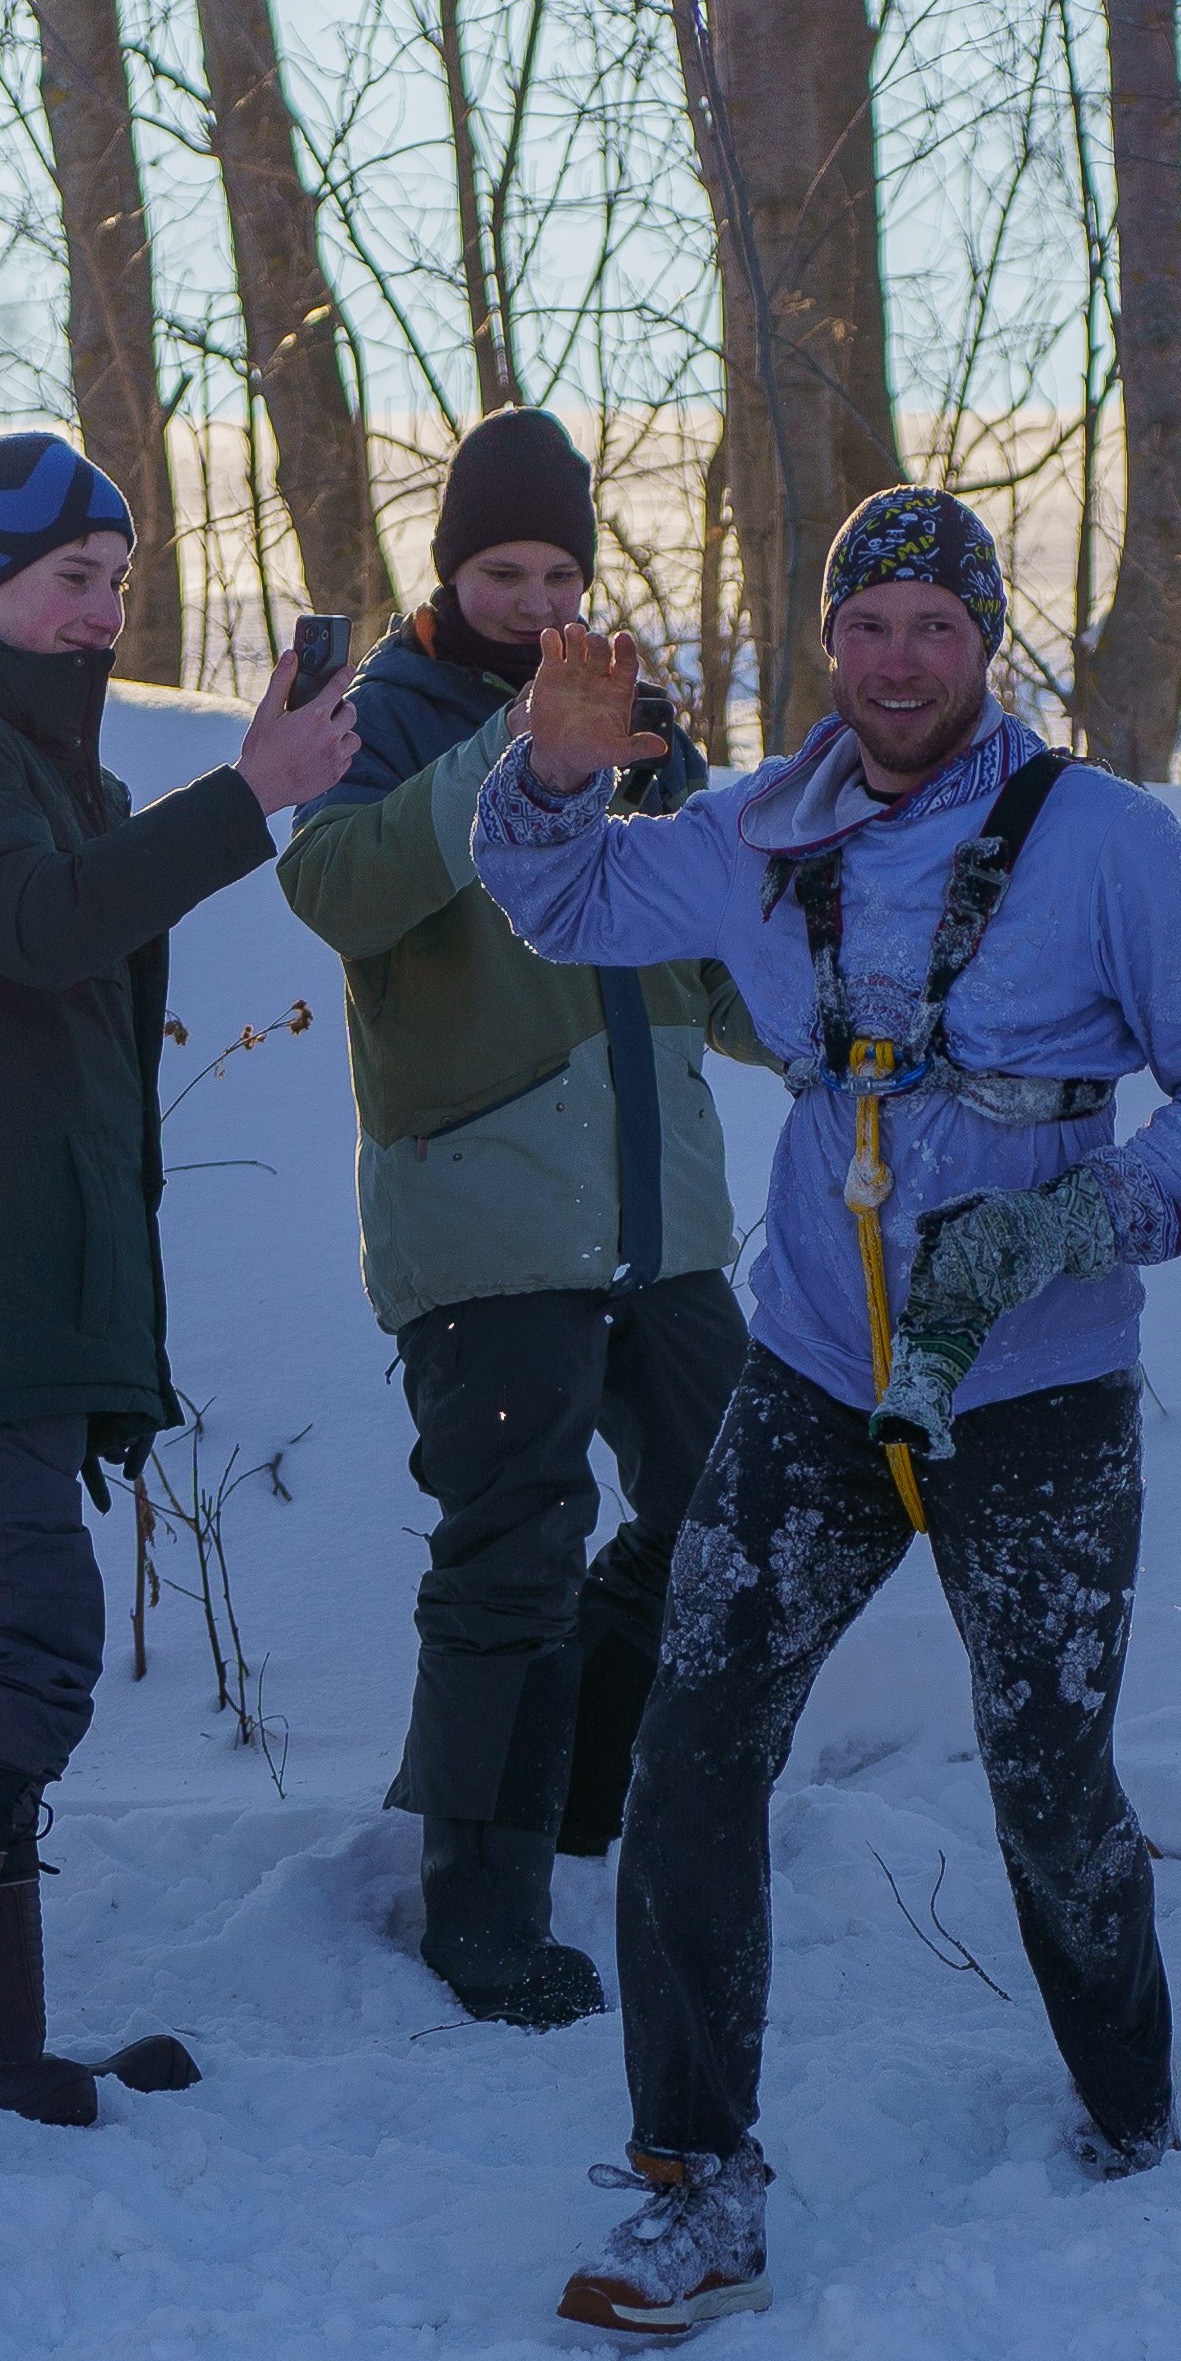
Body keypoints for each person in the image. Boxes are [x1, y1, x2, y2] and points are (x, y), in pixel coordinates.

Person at [472, 484, 1181, 2334]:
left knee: (1048, 1775)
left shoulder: (1101, 842)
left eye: (937, 624)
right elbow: (551, 898)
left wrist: (1080, 1218)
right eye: (870, 626)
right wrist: (549, 774)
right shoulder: (761, 826)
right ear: (826, 644)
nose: (901, 659)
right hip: (817, 1374)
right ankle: (696, 2183)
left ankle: (1136, 2118)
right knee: (693, 1739)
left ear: (985, 643)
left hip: (1039, 1386)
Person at [0, 430, 358, 2133]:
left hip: (34, 1296)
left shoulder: (40, 765)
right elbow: (36, 928)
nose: (103, 615)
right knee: (26, 1652)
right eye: (68, 582)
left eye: (116, 580)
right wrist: (247, 797)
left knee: (2, 1651)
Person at [278, 406, 766, 2032]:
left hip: (662, 1208)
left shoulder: (640, 715)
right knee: (515, 1550)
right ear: (450, 565)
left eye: (561, 566)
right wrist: (527, 750)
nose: (536, 594)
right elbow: (335, 892)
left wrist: (864, 1014)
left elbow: (710, 947)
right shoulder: (387, 710)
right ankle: (479, 1905)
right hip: (485, 1215)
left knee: (732, 1512)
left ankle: (577, 1789)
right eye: (504, 567)